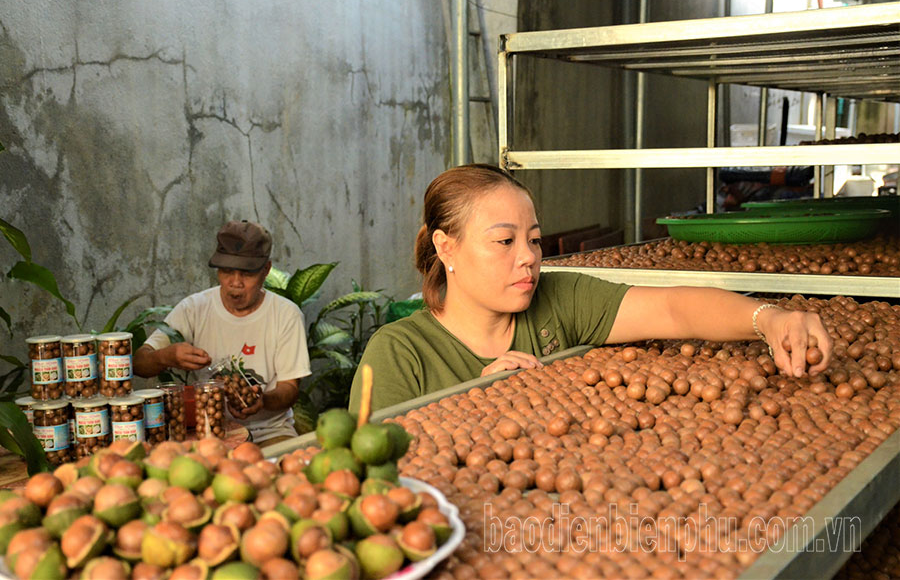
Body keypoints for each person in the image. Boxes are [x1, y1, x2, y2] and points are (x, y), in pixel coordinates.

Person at [349, 164, 832, 413]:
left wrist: (768, 319)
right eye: (504, 240)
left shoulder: (557, 302)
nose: (528, 257)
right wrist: (476, 398)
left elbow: (672, 309)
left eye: (534, 240)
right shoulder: (399, 354)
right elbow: (373, 483)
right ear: (447, 248)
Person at [135, 220, 311, 446]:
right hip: (209, 432)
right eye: (227, 271)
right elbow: (140, 363)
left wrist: (262, 400)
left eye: (247, 273)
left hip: (270, 432)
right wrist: (165, 356)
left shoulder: (286, 314)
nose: (235, 283)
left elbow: (289, 389)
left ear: (265, 271)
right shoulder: (193, 309)